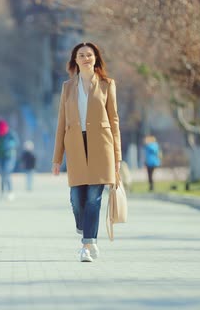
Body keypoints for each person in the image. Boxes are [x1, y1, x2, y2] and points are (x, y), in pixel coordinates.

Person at [52, 42, 121, 262]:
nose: (86, 58)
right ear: (75, 60)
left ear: (96, 58)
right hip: (75, 145)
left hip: (101, 145)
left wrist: (117, 156)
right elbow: (61, 123)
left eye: (89, 55)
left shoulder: (107, 85)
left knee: (93, 198)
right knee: (76, 198)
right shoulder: (67, 87)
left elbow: (114, 120)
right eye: (81, 55)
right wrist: (57, 158)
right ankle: (85, 228)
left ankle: (88, 245)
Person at [0, 119, 19, 201]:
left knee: (7, 172)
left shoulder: (11, 133)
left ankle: (10, 192)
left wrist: (8, 145)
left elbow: (16, 142)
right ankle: (2, 192)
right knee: (2, 174)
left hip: (9, 156)